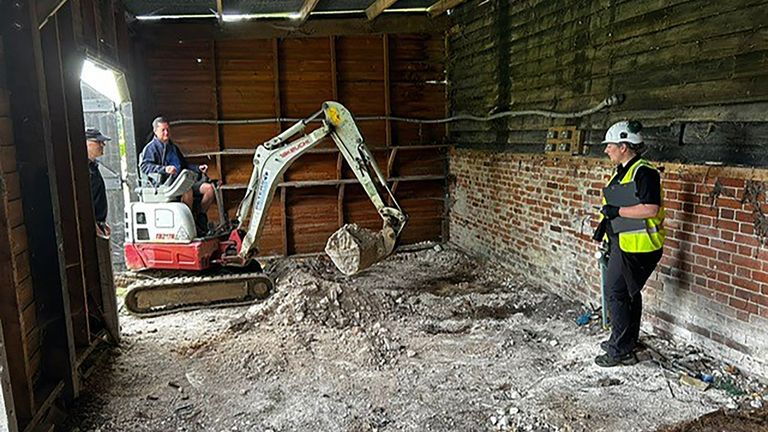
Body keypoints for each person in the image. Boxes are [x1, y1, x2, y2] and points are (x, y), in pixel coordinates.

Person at [593, 120, 666, 368]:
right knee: (628, 293)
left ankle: (620, 350)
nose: (606, 150)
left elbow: (650, 209)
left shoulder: (645, 172)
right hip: (622, 243)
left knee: (617, 293)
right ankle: (626, 340)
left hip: (638, 247)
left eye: (610, 145)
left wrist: (618, 211)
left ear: (623, 146)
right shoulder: (623, 170)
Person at [139, 116, 216, 235]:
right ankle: (190, 225)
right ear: (155, 131)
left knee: (209, 189)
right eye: (163, 130)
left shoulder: (173, 147)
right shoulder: (150, 148)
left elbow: (184, 165)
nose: (166, 132)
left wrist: (197, 168)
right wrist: (164, 169)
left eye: (168, 129)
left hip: (182, 181)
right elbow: (144, 167)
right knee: (188, 191)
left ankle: (200, 219)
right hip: (166, 185)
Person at [86, 127, 111, 238]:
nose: (102, 145)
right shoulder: (83, 170)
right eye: (98, 142)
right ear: (86, 143)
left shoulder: (93, 166)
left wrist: (102, 223)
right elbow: (84, 202)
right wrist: (93, 225)